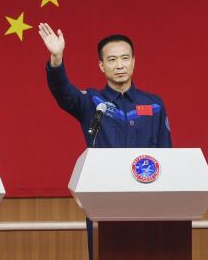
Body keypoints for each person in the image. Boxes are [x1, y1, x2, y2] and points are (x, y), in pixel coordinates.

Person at [38, 23, 171, 259]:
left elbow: (168, 156)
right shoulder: (90, 101)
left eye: (124, 58)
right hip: (103, 198)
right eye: (111, 60)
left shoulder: (154, 104)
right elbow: (62, 91)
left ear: (133, 62)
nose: (119, 65)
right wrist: (56, 58)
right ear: (101, 65)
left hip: (149, 200)